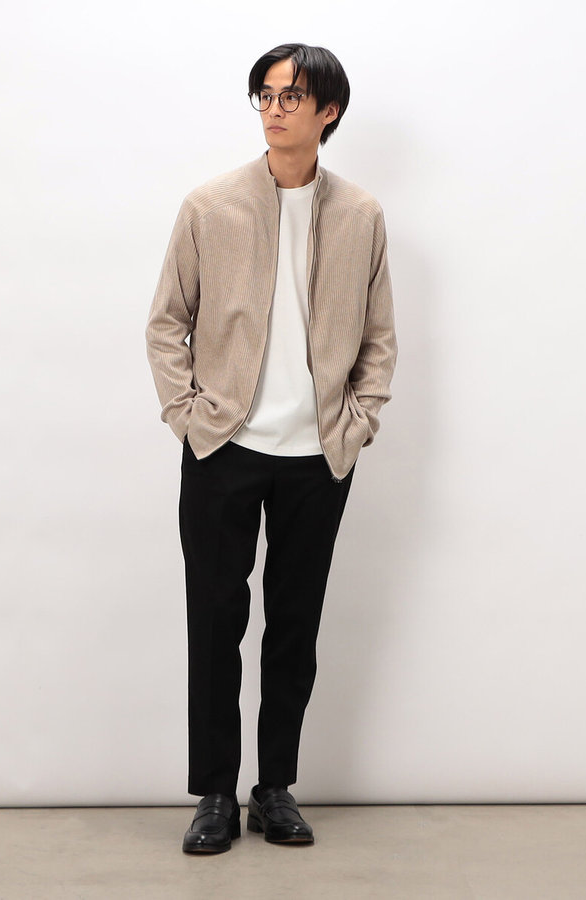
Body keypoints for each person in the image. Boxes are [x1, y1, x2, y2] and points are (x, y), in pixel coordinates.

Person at [145, 42, 397, 854]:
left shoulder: (360, 215)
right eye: (266, 92)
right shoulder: (210, 206)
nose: (275, 107)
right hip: (224, 447)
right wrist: (189, 417)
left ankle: (274, 787)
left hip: (319, 456)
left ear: (329, 112)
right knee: (215, 623)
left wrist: (357, 421)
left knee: (295, 626)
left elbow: (380, 337)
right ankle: (216, 793)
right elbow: (166, 322)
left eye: (293, 95)